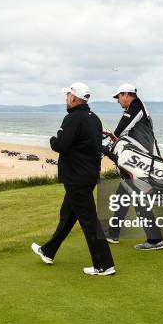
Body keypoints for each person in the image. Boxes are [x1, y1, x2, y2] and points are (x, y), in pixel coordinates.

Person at [31, 82, 116, 276]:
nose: (66, 98)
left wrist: (53, 139)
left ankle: (104, 265)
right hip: (86, 175)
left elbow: (61, 145)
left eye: (68, 95)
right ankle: (48, 251)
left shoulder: (72, 119)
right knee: (67, 216)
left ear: (74, 98)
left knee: (89, 221)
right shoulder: (94, 118)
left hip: (76, 178)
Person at [102, 83, 163, 251]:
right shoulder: (137, 108)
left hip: (139, 163)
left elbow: (123, 129)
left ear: (126, 94)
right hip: (136, 161)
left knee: (138, 199)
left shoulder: (136, 106)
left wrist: (110, 139)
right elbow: (125, 136)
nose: (118, 101)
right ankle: (113, 233)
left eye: (118, 97)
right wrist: (112, 139)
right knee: (123, 195)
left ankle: (155, 239)